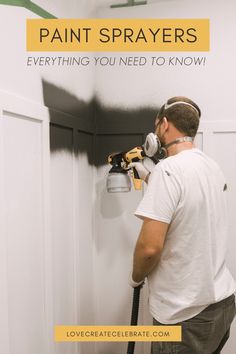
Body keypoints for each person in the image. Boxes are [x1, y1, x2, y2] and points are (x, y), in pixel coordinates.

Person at [129, 96, 236, 354]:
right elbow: (188, 200)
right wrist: (150, 177)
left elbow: (149, 249)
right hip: (221, 305)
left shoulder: (168, 171)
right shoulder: (211, 167)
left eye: (157, 127)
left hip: (184, 317)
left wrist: (135, 278)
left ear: (164, 125)